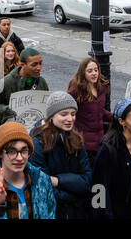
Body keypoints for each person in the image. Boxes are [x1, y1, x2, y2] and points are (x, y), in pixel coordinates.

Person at [0, 122, 56, 219]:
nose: (19, 158)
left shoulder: (42, 180)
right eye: (11, 151)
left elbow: (51, 213)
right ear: (0, 154)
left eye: (24, 150)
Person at [29, 91, 92, 219]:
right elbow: (43, 188)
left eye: (73, 114)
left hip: (76, 212)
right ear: (51, 116)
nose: (70, 119)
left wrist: (57, 180)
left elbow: (87, 180)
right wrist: (75, 193)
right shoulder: (37, 144)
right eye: (64, 114)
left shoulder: (77, 140)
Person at [68, 57, 113, 166]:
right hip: (84, 143)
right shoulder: (76, 90)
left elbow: (100, 111)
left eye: (96, 70)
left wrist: (117, 116)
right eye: (90, 71)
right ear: (83, 72)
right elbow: (68, 112)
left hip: (100, 140)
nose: (94, 73)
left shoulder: (101, 88)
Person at [0, 48, 49, 125]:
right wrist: (8, 110)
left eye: (40, 63)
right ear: (22, 65)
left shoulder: (42, 82)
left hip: (35, 131)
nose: (39, 68)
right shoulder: (5, 83)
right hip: (13, 130)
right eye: (34, 64)